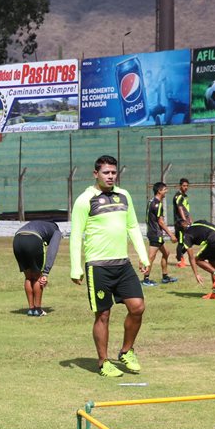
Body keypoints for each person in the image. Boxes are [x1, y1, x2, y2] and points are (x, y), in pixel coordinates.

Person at [69, 155, 150, 377]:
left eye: (113, 172)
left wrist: (144, 257)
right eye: (106, 172)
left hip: (123, 264)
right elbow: (76, 236)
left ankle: (126, 351)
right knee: (103, 315)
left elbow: (133, 227)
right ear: (96, 174)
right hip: (98, 266)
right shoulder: (85, 200)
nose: (110, 176)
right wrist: (76, 268)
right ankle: (103, 362)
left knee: (138, 307)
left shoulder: (124, 196)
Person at [13, 219, 62, 316]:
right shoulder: (56, 231)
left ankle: (31, 309)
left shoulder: (40, 224)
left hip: (17, 240)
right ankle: (38, 309)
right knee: (36, 277)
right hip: (33, 240)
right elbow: (52, 250)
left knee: (28, 277)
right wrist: (46, 273)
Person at [179, 220, 215, 300]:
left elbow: (191, 258)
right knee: (212, 266)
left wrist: (196, 274)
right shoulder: (197, 223)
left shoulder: (187, 234)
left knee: (198, 260)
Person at [142, 181, 177, 286]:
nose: (167, 191)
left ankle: (165, 277)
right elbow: (161, 222)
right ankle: (146, 279)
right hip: (155, 234)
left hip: (153, 232)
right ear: (159, 191)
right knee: (151, 257)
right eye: (165, 189)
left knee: (166, 253)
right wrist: (171, 234)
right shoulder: (157, 204)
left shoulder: (151, 201)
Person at [173, 178, 192, 266]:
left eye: (187, 186)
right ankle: (180, 261)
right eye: (184, 186)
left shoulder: (185, 196)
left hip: (186, 221)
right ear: (180, 186)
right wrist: (184, 220)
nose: (186, 187)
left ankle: (179, 256)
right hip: (180, 222)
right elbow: (180, 208)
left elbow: (186, 209)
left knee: (189, 240)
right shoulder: (178, 196)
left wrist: (190, 219)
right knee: (181, 241)